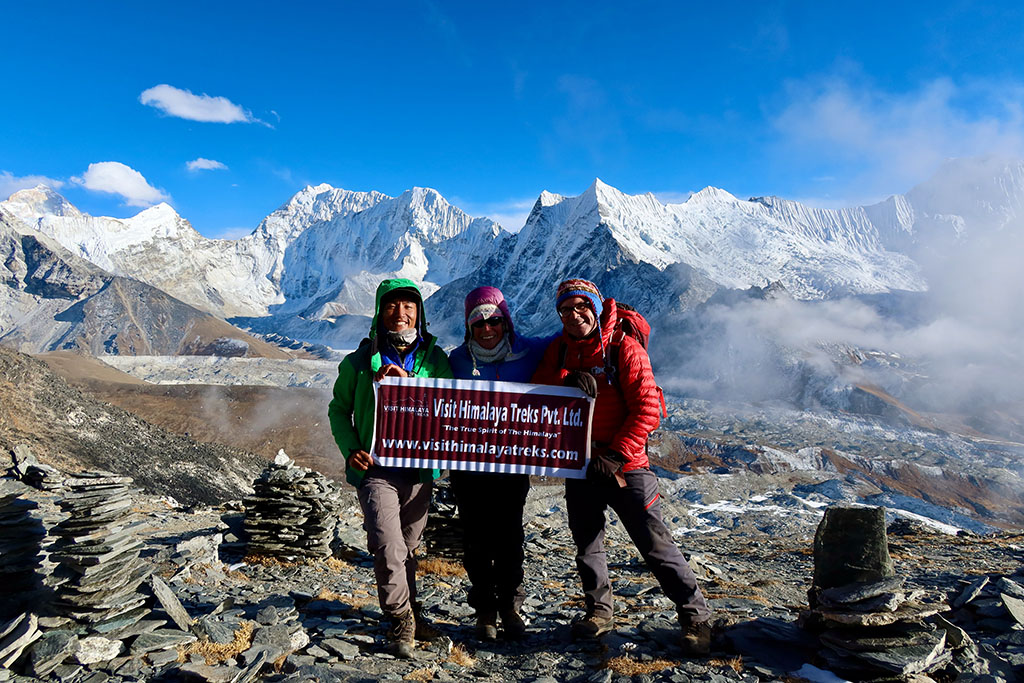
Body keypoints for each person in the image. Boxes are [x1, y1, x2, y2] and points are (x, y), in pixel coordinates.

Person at [531, 278, 712, 655]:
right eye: (565, 309)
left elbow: (647, 409)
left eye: (581, 306)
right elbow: (540, 387)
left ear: (595, 308)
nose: (573, 314)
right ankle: (599, 612)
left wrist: (616, 454)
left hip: (624, 466)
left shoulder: (623, 348)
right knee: (587, 542)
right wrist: (566, 378)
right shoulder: (559, 350)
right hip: (581, 463)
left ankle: (696, 617)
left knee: (654, 543)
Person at [328, 278, 453, 658]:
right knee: (387, 545)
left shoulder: (435, 360)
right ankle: (400, 618)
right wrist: (351, 449)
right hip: (377, 470)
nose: (401, 314)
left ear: (419, 312)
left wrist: (412, 384)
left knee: (409, 548)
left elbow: (452, 402)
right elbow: (338, 410)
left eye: (408, 306)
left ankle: (411, 610)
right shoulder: (359, 362)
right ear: (380, 313)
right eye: (392, 306)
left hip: (419, 470)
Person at [447, 286, 551, 641]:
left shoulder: (529, 351)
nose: (487, 329)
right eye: (479, 324)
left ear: (506, 322)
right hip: (468, 468)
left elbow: (569, 341)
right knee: (475, 539)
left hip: (512, 465)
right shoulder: (456, 360)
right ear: (468, 328)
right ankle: (484, 610)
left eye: (494, 321)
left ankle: (509, 605)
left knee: (509, 537)